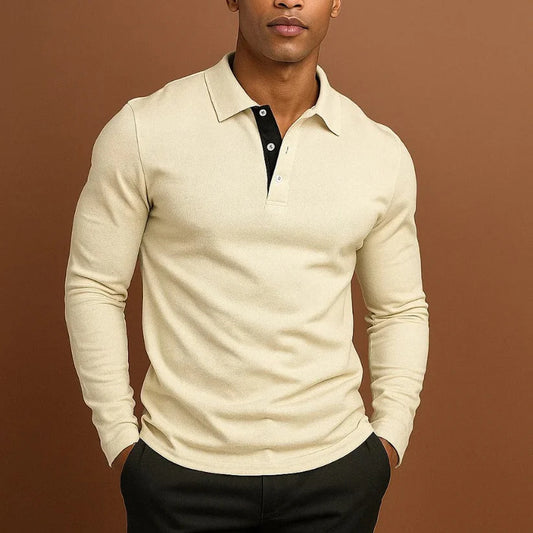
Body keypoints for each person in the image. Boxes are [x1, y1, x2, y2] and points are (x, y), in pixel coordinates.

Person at [64, 0, 430, 531]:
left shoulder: (379, 152)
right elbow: (94, 285)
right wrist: (119, 438)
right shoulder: (144, 129)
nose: (289, 0)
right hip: (179, 473)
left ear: (336, 2)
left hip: (337, 475)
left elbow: (399, 308)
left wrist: (389, 437)